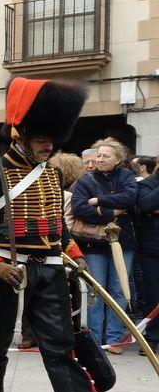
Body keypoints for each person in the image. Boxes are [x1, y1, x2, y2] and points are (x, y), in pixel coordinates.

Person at [0, 77, 123, 392]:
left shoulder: (51, 171)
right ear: (21, 134)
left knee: (61, 346)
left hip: (49, 271)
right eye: (42, 139)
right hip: (9, 272)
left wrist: (75, 257)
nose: (49, 146)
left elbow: (56, 227)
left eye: (52, 140)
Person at [70, 137, 138, 353]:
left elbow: (130, 198)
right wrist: (113, 212)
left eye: (105, 156)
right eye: (98, 155)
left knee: (119, 291)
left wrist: (98, 202)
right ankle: (95, 339)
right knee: (95, 291)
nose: (99, 159)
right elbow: (80, 208)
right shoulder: (84, 181)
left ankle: (115, 339)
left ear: (118, 159)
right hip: (93, 245)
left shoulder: (127, 177)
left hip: (123, 242)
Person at [137, 159, 159, 356]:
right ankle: (152, 339)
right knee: (153, 296)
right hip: (153, 249)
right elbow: (146, 204)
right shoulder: (146, 184)